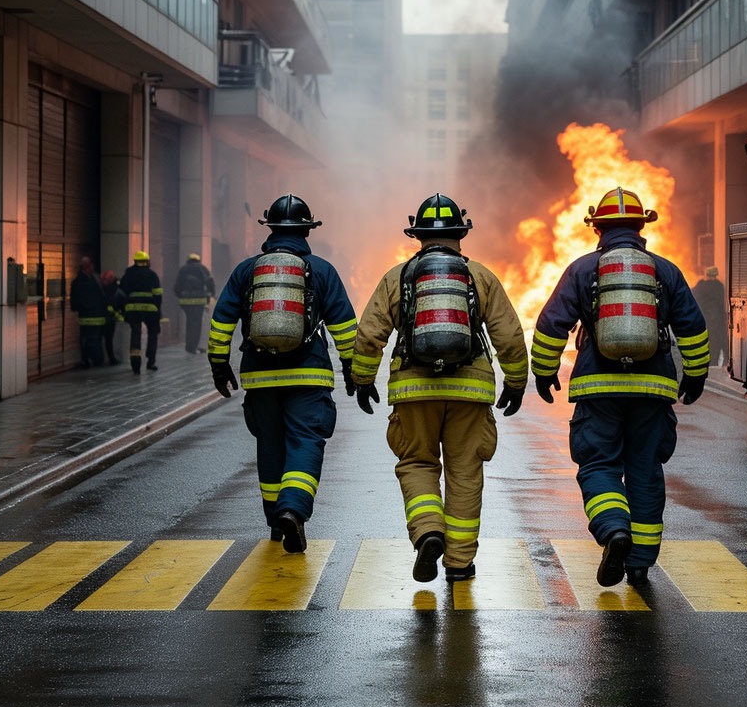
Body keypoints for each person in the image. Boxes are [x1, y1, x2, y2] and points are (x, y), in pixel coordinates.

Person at [530, 187, 709, 589]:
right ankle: (641, 564)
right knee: (646, 470)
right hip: (653, 387)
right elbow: (692, 328)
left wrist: (543, 371)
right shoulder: (665, 270)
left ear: (598, 227)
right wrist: (695, 374)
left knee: (598, 464)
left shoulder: (582, 270)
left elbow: (551, 323)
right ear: (642, 227)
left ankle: (614, 531)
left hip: (598, 387)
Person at [351, 193, 528, 584]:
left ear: (416, 235)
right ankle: (460, 563)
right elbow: (509, 335)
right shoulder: (479, 275)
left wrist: (362, 378)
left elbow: (369, 335)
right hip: (471, 390)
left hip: (413, 391)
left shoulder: (397, 276)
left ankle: (429, 531)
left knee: (417, 463)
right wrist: (516, 380)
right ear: (461, 233)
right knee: (465, 473)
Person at [207, 194, 357, 553]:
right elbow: (345, 326)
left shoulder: (247, 270)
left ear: (269, 228)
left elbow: (222, 319)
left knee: (270, 446)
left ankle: (276, 521)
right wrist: (354, 368)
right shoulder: (321, 270)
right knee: (305, 441)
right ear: (307, 230)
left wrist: (218, 363)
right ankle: (293, 510)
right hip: (308, 377)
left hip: (259, 377)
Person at [120, 250, 163, 374]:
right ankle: (151, 361)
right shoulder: (152, 275)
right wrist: (158, 309)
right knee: (153, 334)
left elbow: (122, 293)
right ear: (147, 262)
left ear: (135, 261)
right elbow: (158, 294)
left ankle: (135, 363)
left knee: (135, 334)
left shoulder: (128, 275)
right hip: (151, 310)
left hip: (133, 309)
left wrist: (124, 308)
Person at [174, 253, 216, 354]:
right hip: (199, 301)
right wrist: (212, 294)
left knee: (189, 323)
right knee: (196, 324)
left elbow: (177, 286)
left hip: (185, 302)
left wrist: (180, 296)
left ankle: (189, 346)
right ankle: (193, 347)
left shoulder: (183, 269)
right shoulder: (202, 268)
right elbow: (210, 282)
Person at [69, 257, 106, 369]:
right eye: (91, 265)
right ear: (87, 266)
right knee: (91, 339)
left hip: (94, 314)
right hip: (90, 314)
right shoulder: (82, 281)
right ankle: (95, 361)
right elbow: (76, 297)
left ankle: (90, 360)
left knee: (90, 339)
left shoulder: (92, 278)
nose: (92, 267)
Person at [692, 266, 727, 367]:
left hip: (703, 321)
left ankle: (704, 363)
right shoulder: (719, 286)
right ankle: (714, 363)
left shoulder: (700, 286)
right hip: (716, 321)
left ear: (706, 274)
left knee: (704, 343)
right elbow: (721, 305)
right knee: (716, 344)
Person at [99, 270, 123, 366]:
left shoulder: (112, 289)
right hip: (106, 317)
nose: (104, 281)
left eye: (105, 279)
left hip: (109, 318)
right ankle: (107, 358)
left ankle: (109, 358)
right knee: (104, 339)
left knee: (108, 339)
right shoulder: (114, 287)